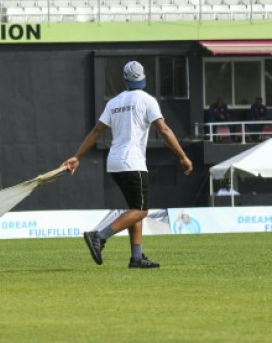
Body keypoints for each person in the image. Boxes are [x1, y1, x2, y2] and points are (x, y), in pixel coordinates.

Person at [62, 61, 193, 269]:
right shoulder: (147, 100)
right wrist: (183, 156)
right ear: (143, 79)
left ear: (124, 79)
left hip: (115, 162)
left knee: (135, 208)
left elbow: (97, 131)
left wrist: (78, 156)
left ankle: (137, 257)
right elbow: (165, 131)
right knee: (141, 211)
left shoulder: (114, 102)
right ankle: (99, 236)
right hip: (134, 162)